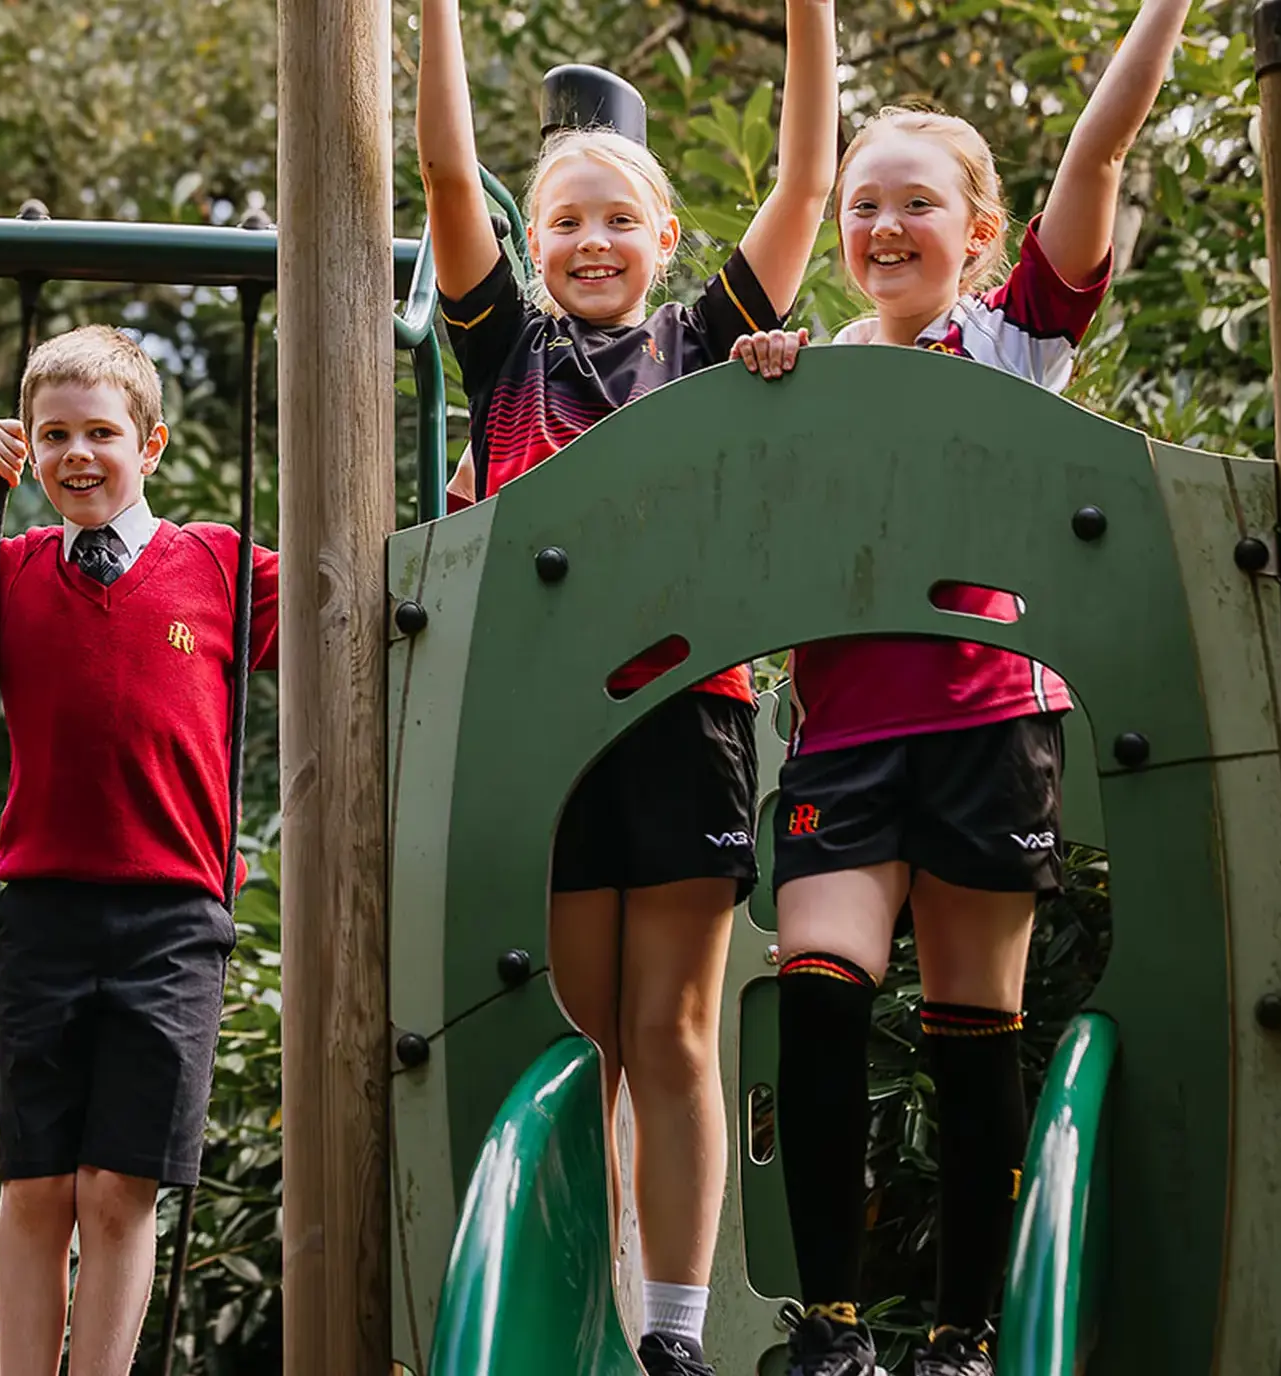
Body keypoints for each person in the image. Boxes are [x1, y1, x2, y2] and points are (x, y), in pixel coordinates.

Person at [725, 5, 1194, 1372]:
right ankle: (833, 1320)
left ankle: (968, 1328)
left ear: (975, 237)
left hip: (989, 727)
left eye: (916, 203)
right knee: (817, 987)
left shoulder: (1006, 348)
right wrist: (770, 376)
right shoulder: (808, 374)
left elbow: (1097, 159)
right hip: (846, 742)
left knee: (973, 1033)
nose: (881, 225)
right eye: (863, 203)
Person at [415, 4, 839, 1373]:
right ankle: (589, 1315)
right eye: (564, 224)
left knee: (672, 1027)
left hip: (687, 718)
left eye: (617, 221)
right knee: (586, 1025)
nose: (591, 242)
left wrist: (810, 19)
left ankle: (672, 1336)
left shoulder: (703, 345)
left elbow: (805, 188)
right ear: (533, 247)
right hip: (548, 728)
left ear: (663, 241)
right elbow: (438, 172)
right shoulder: (507, 362)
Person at [0, 324, 279, 1376]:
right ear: (29, 450)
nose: (76, 455)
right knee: (37, 1181)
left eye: (101, 431)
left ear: (152, 446)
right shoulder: (7, 566)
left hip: (174, 915)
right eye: (53, 435)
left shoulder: (218, 564)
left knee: (118, 1182)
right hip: (43, 906)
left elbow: (349, 589)